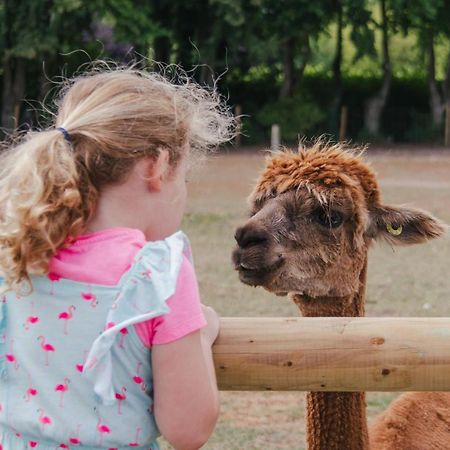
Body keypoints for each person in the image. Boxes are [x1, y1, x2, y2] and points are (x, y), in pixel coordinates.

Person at [0, 64, 235, 450]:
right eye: (184, 176)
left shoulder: (15, 254)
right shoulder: (157, 273)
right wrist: (200, 333)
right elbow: (188, 429)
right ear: (156, 167)